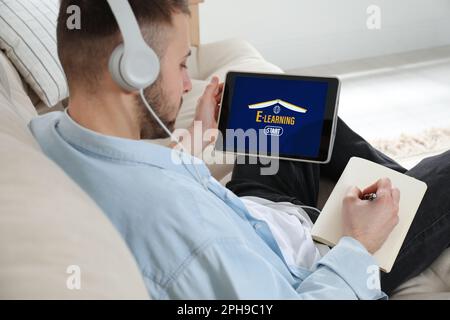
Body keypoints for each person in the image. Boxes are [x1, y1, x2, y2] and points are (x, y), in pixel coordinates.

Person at [29, 0, 450, 299]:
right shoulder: (185, 236)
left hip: (254, 214)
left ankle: (403, 192)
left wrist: (197, 141)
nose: (188, 83)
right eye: (181, 65)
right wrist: (359, 241)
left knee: (296, 118)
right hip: (317, 261)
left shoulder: (51, 133)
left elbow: (150, 177)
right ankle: (409, 202)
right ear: (133, 71)